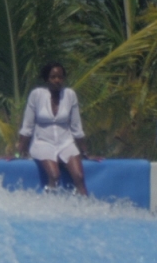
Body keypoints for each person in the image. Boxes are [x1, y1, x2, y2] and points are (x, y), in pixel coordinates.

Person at [16, 63, 101, 196]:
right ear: (46, 79)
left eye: (60, 77)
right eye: (53, 77)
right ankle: (50, 207)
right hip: (42, 143)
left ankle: (86, 210)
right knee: (55, 175)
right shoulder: (36, 95)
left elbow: (76, 128)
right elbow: (27, 127)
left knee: (78, 176)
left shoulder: (70, 95)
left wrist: (85, 153)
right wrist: (17, 153)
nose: (57, 80)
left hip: (65, 143)